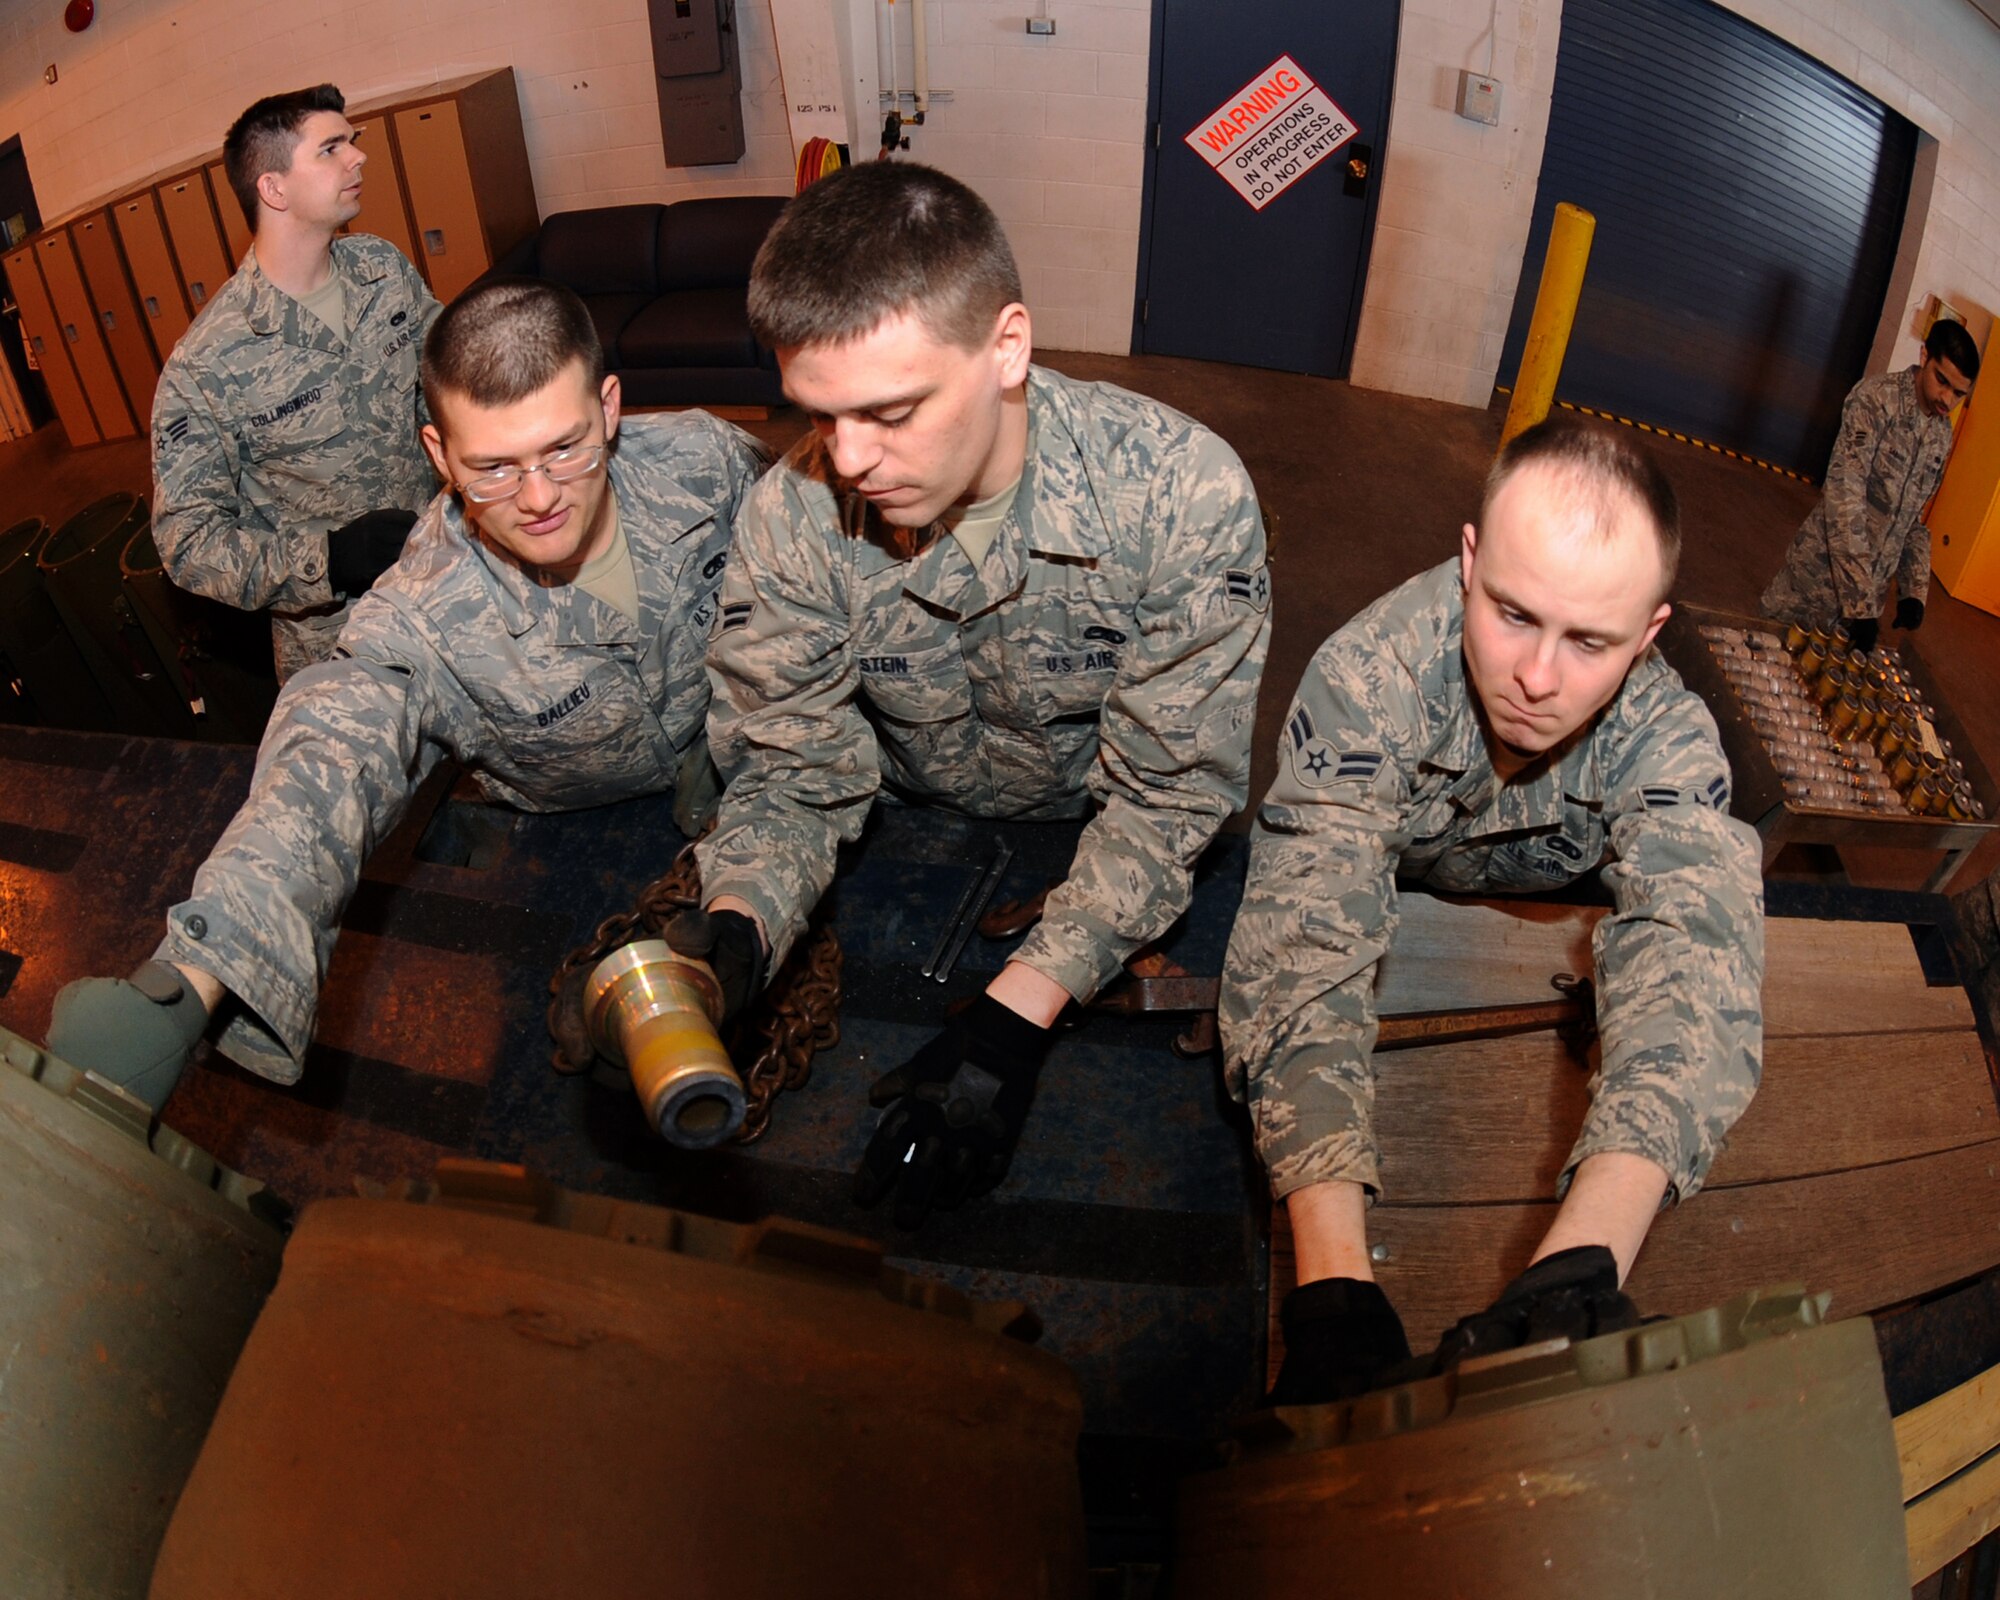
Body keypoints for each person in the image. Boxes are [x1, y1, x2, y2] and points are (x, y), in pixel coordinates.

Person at [680, 161, 1271, 1229]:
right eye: (819, 415)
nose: (850, 460)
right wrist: (741, 922)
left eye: (891, 411)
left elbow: (1168, 796)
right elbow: (793, 766)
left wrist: (1016, 1016)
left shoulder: (1180, 495)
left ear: (1007, 347)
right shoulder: (791, 515)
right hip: (908, 841)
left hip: (1106, 846)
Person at [46, 280, 767, 1107]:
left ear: (609, 409)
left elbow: (822, 568)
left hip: (761, 794)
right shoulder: (424, 610)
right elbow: (329, 760)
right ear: (439, 455)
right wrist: (191, 978)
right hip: (575, 856)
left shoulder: (707, 462)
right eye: (492, 468)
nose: (538, 497)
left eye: (564, 449)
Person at [1220, 416, 1764, 1406]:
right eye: (1513, 614)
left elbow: (1696, 950)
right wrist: (1332, 1283)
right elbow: (1306, 939)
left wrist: (1584, 1258)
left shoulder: (1666, 735)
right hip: (1384, 904)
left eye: (1590, 641)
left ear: (1648, 635)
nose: (1537, 679)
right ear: (1469, 563)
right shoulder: (1370, 677)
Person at [152, 83, 442, 682]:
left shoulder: (381, 268)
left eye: (351, 141)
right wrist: (327, 560)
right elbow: (188, 540)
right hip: (340, 640)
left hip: (443, 576)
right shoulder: (207, 362)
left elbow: (448, 379)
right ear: (274, 188)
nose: (358, 156)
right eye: (331, 148)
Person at [1761, 320, 1980, 652]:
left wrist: (1913, 591)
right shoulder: (1876, 400)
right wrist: (1861, 604)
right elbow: (1843, 497)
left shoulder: (1940, 435)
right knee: (1764, 658)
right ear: (1924, 356)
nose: (1947, 400)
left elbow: (1913, 520)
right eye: (1942, 381)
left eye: (1959, 393)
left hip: (1861, 609)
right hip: (1816, 584)